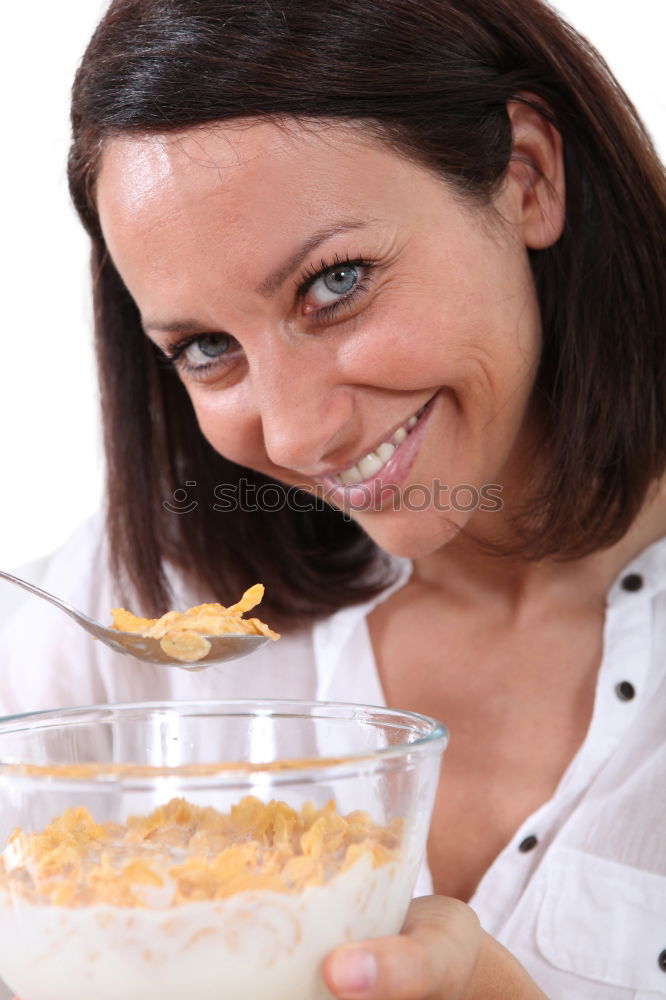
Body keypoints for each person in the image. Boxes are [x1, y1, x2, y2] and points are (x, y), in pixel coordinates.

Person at [1, 0, 665, 997]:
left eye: (336, 281)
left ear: (528, 176)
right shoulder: (138, 600)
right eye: (207, 349)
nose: (297, 433)